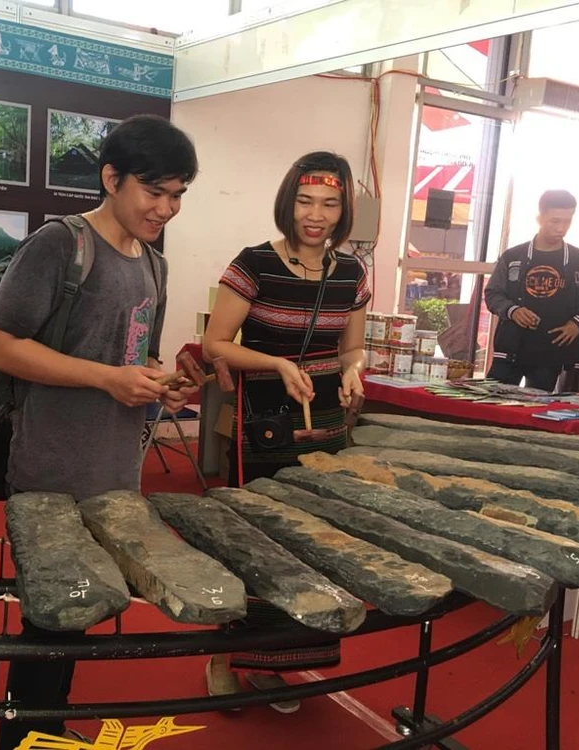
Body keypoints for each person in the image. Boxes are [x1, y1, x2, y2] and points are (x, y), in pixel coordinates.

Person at [0, 114, 198, 748]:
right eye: (154, 192)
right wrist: (107, 379)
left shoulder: (154, 265)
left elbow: (137, 354)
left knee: (77, 609)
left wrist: (163, 382)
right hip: (47, 465)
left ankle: (45, 727)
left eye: (177, 195)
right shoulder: (60, 245)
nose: (166, 208)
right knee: (49, 614)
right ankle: (23, 735)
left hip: (114, 472)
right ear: (111, 178)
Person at [201, 151, 370, 712]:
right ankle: (226, 657)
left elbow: (351, 347)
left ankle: (280, 660)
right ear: (287, 203)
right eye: (305, 202)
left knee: (314, 539)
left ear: (344, 210)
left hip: (326, 423)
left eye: (329, 204)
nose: (315, 216)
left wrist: (353, 371)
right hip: (264, 422)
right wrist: (275, 363)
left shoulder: (351, 273)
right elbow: (214, 343)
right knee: (256, 540)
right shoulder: (254, 263)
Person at [485, 190, 579, 392]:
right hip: (510, 349)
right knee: (492, 402)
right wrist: (512, 310)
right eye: (555, 221)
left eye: (567, 221)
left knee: (538, 407)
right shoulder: (513, 257)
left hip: (552, 352)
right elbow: (493, 293)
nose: (561, 228)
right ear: (539, 218)